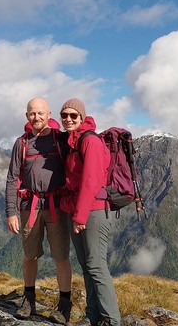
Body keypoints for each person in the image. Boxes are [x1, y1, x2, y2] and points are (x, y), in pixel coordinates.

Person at [5, 97, 72, 324]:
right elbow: (13, 178)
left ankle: (64, 306)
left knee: (61, 257)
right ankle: (28, 301)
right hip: (29, 207)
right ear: (27, 116)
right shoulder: (21, 143)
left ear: (49, 114)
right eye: (32, 114)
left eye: (40, 113)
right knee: (29, 255)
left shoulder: (60, 140)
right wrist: (11, 212)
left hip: (56, 207)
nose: (36, 117)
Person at [59, 98, 121, 326]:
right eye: (64, 115)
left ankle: (112, 320)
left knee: (96, 265)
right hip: (78, 210)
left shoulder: (90, 141)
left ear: (83, 118)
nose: (68, 119)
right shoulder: (73, 142)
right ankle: (92, 316)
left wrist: (80, 217)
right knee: (87, 265)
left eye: (73, 115)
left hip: (92, 212)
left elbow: (91, 181)